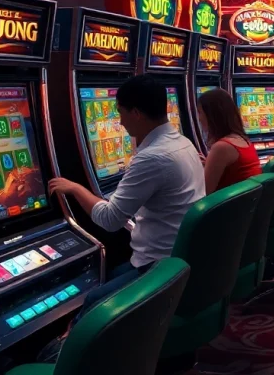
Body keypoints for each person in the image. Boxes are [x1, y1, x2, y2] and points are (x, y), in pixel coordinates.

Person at [44, 75, 205, 357]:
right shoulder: (182, 141)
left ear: (136, 113)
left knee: (94, 297)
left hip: (158, 264)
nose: (119, 122)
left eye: (119, 112)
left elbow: (109, 219)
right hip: (179, 256)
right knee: (107, 277)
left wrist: (76, 188)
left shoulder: (153, 156)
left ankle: (63, 358)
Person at [197, 88, 261, 193]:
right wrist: (209, 164)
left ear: (212, 115)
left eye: (200, 113)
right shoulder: (243, 139)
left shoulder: (221, 147)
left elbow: (204, 193)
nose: (199, 118)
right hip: (247, 206)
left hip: (230, 208)